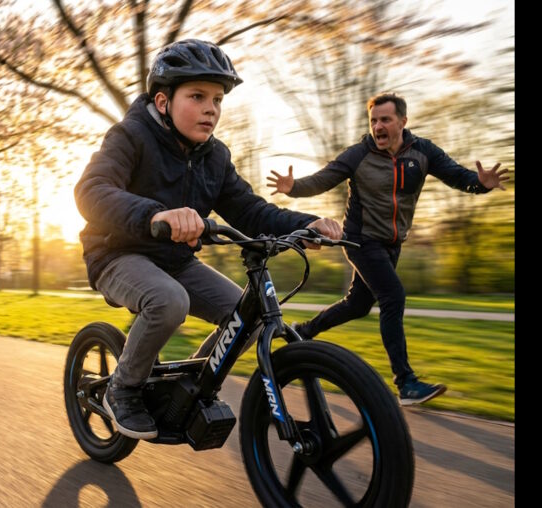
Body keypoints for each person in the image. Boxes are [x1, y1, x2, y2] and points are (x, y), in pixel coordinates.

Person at [74, 39, 343, 440]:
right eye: (197, 96)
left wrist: (307, 225)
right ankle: (123, 388)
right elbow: (91, 191)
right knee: (169, 301)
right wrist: (154, 215)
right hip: (117, 254)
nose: (211, 108)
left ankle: (190, 390)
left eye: (217, 99)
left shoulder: (214, 156)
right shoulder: (130, 136)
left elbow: (250, 211)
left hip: (176, 260)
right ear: (163, 102)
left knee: (247, 317)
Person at [266, 92, 510, 406]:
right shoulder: (358, 154)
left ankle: (303, 330)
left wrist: (481, 183)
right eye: (373, 121)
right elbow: (323, 179)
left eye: (385, 120)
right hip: (360, 240)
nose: (378, 126)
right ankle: (405, 382)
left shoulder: (423, 152)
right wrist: (294, 187)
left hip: (392, 245)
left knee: (358, 306)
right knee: (393, 296)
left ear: (402, 122)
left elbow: (457, 175)